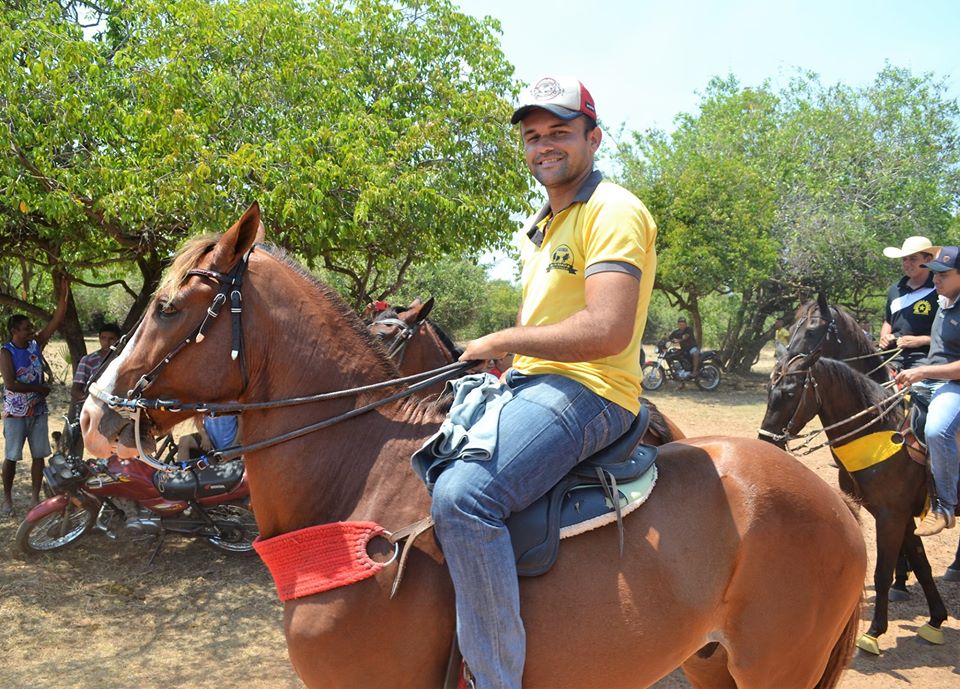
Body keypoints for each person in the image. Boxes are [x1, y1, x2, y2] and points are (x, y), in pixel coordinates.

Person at [428, 76, 656, 689]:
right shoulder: (544, 225)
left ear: (593, 138)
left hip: (594, 392)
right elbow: (554, 324)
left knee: (464, 497)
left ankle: (495, 679)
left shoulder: (614, 210)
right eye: (533, 136)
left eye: (559, 132)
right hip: (537, 384)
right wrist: (506, 365)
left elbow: (607, 329)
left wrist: (504, 340)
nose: (543, 145)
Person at [895, 245, 960, 536]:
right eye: (934, 274)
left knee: (936, 430)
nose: (936, 280)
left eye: (943, 275)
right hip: (933, 379)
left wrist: (922, 371)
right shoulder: (945, 302)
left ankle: (944, 506)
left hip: (954, 385)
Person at [1, 274, 69, 516]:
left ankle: (34, 497)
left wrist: (63, 295)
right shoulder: (6, 352)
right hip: (15, 413)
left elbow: (56, 320)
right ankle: (7, 499)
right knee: (11, 457)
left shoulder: (35, 345)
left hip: (38, 411)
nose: (32, 330)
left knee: (39, 455)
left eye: (31, 327)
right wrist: (40, 389)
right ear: (14, 331)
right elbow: (10, 383)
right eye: (26, 328)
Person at [879, 236, 939, 371]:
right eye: (904, 259)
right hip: (892, 354)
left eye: (913, 259)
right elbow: (888, 321)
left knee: (919, 389)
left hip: (924, 356)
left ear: (928, 260)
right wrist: (884, 337)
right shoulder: (895, 290)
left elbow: (949, 333)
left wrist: (919, 341)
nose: (907, 263)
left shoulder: (940, 289)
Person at [71, 323, 122, 413]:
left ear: (118, 340)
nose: (107, 342)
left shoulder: (122, 360)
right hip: (95, 409)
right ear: (99, 339)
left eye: (111, 339)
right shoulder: (88, 360)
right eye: (103, 338)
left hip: (119, 407)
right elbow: (76, 390)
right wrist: (91, 402)